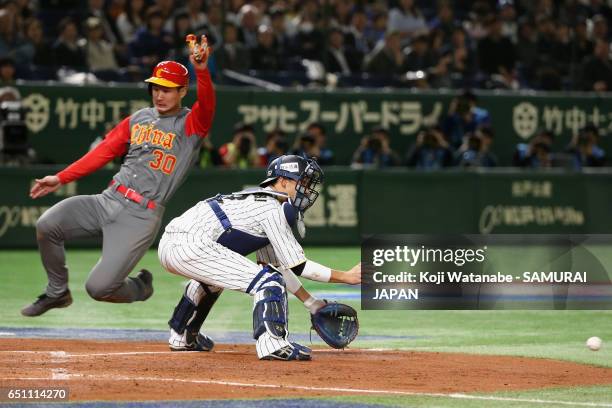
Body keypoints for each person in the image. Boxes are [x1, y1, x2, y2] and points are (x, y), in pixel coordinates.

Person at [21, 36, 216, 317]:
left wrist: (201, 70)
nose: (160, 95)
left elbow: (207, 105)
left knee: (98, 288)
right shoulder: (138, 119)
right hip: (108, 199)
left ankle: (139, 288)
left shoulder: (191, 124)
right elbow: (103, 152)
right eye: (156, 88)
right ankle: (57, 292)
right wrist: (61, 177)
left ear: (183, 91)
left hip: (140, 216)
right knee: (47, 225)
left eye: (168, 90)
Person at [158, 155, 361, 360]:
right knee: (268, 282)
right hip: (189, 244)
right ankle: (272, 345)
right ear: (283, 181)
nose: (306, 189)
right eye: (303, 182)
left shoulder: (263, 201)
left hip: (177, 244)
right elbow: (299, 265)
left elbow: (277, 267)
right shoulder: (271, 208)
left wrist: (311, 303)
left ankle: (182, 336)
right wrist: (347, 277)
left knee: (220, 281)